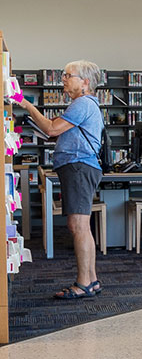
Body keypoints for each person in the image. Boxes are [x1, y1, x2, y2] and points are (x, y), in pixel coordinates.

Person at [19, 61, 107, 301]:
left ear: (85, 81)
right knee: (80, 225)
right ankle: (92, 279)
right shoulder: (83, 104)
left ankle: (84, 283)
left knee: (78, 225)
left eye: (69, 76)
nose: (63, 80)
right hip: (78, 167)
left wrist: (27, 104)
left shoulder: (82, 103)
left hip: (79, 167)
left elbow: (51, 129)